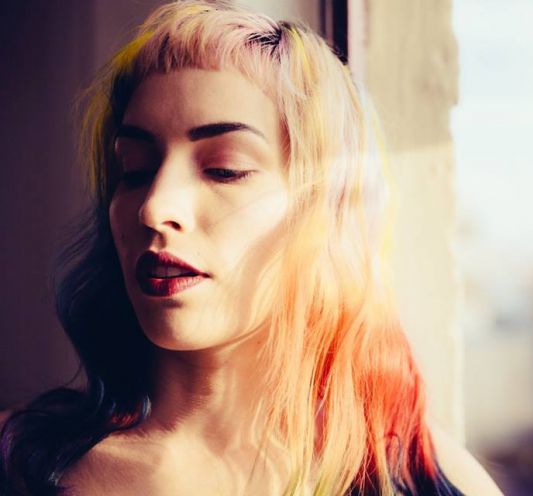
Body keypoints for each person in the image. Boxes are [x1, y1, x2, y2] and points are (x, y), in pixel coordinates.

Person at [0, 2, 502, 494]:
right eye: (134, 170)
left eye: (225, 169)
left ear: (323, 209)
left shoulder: (423, 477)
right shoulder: (17, 463)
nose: (154, 207)